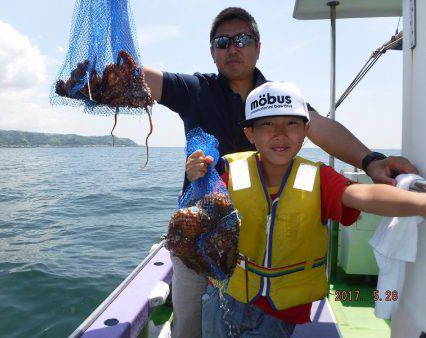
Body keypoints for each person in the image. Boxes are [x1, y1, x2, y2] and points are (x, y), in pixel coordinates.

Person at [141, 7, 418, 337]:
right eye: (222, 41)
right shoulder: (194, 89)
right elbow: (142, 79)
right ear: (212, 51)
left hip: (255, 241)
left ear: (258, 46)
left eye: (242, 39)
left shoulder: (277, 97)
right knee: (192, 323)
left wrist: (371, 161)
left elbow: (323, 128)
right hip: (199, 235)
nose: (232, 47)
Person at [186, 81, 426, 337]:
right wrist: (196, 175)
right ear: (250, 134)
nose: (279, 133)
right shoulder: (228, 172)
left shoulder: (319, 178)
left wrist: (421, 203)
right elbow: (201, 215)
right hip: (225, 294)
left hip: (280, 313)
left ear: (305, 131)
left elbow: (362, 193)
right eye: (267, 124)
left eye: (291, 123)